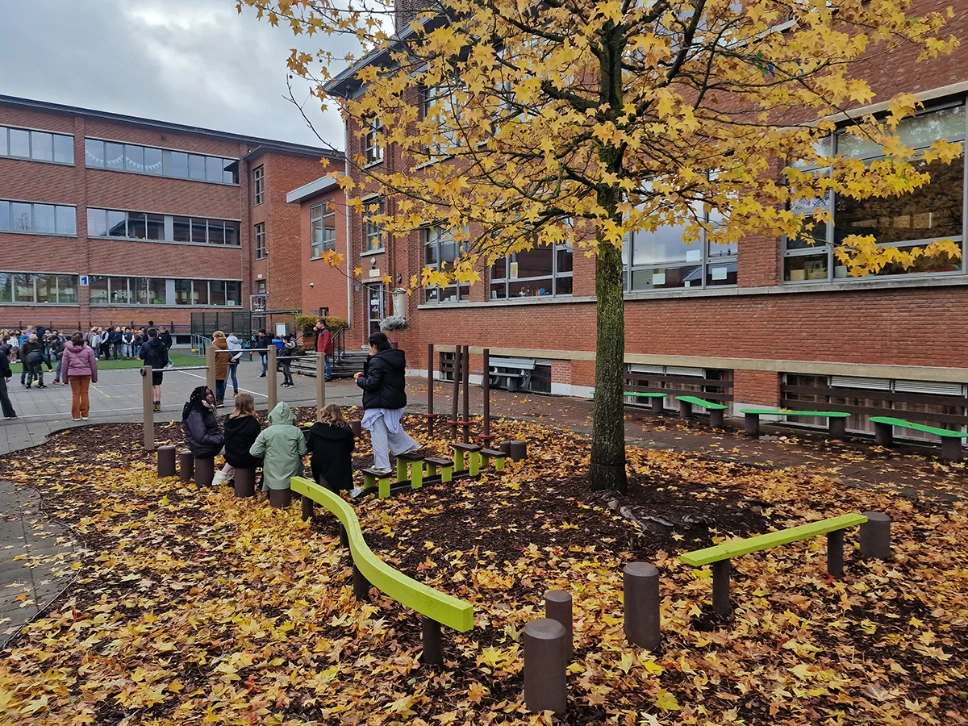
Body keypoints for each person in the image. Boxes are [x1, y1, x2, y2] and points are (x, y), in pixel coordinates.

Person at [354, 332, 420, 474]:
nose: (369, 349)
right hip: (394, 399)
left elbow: (372, 383)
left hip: (379, 401)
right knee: (390, 427)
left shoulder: (377, 361)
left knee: (378, 433)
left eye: (370, 345)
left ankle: (383, 465)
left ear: (375, 345)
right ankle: (408, 445)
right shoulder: (394, 358)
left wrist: (359, 380)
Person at [249, 401, 307, 495]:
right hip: (292, 468)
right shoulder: (296, 432)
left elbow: (254, 451)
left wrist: (266, 454)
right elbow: (303, 451)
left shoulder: (266, 432)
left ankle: (268, 493)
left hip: (271, 467)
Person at [213, 393, 262, 485]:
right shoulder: (252, 422)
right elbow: (257, 441)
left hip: (230, 455)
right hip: (247, 457)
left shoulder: (229, 420)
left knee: (237, 449)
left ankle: (222, 476)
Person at [307, 404, 356, 495]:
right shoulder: (345, 430)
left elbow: (310, 446)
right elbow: (350, 447)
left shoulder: (316, 428)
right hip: (340, 464)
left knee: (325, 487)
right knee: (339, 466)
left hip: (320, 463)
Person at [61, 332, 98, 421]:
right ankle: (85, 414)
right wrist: (94, 377)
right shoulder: (88, 349)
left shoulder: (67, 350)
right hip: (86, 373)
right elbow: (93, 364)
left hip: (73, 373)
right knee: (84, 393)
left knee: (75, 394)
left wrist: (64, 379)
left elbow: (64, 365)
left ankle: (76, 415)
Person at [182, 386, 224, 460]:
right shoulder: (195, 414)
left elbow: (213, 431)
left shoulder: (205, 410)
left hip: (209, 446)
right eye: (206, 395)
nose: (210, 396)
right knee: (237, 448)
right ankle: (225, 471)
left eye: (210, 393)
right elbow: (201, 437)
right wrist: (222, 438)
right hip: (204, 449)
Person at [139, 328, 168, 412]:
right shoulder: (162, 344)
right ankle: (158, 402)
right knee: (157, 385)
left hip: (148, 366)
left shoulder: (145, 345)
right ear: (157, 334)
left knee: (151, 386)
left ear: (148, 335)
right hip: (159, 366)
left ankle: (151, 403)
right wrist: (162, 364)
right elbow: (165, 358)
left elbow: (141, 355)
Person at [212, 331, 230, 405]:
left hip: (216, 367)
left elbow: (212, 357)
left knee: (216, 385)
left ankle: (217, 400)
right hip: (223, 367)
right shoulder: (226, 345)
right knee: (221, 384)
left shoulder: (214, 346)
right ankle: (221, 400)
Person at [0, 343, 17, 420]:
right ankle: (9, 413)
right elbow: (5, 366)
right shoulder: (1, 353)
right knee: (3, 396)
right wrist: (8, 375)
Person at [226, 332, 244, 397]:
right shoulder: (238, 343)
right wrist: (235, 357)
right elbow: (241, 352)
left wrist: (231, 357)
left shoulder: (227, 341)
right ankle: (235, 392)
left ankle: (222, 394)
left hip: (228, 360)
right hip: (235, 360)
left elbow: (226, 350)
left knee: (225, 378)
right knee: (233, 376)